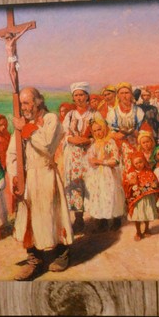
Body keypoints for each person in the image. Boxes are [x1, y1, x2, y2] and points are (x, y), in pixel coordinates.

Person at [6, 86, 74, 280]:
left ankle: (61, 254)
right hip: (29, 178)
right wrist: (15, 175)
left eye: (27, 103)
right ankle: (34, 260)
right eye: (21, 104)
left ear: (38, 101)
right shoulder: (23, 124)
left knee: (52, 216)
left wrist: (26, 129)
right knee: (30, 219)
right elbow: (11, 154)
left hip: (46, 174)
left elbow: (46, 146)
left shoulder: (51, 119)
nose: (24, 108)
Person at [61, 82, 94, 233]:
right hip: (73, 155)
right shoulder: (70, 115)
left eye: (82, 94)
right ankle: (79, 218)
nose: (79, 98)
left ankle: (97, 216)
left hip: (89, 152)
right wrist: (73, 139)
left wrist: (88, 140)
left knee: (91, 183)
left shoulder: (94, 114)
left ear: (87, 96)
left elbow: (100, 133)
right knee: (75, 185)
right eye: (76, 95)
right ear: (73, 98)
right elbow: (65, 134)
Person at [84, 116, 125, 229]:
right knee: (100, 195)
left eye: (99, 129)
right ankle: (103, 221)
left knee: (111, 194)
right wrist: (95, 161)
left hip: (109, 174)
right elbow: (91, 160)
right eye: (95, 131)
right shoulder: (93, 145)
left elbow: (115, 160)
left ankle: (116, 219)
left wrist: (101, 161)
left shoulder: (110, 143)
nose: (98, 133)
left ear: (105, 129)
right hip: (97, 175)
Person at [122, 148, 159, 240]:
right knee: (137, 216)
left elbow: (155, 182)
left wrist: (153, 184)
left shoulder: (148, 172)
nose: (139, 165)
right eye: (136, 163)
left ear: (144, 161)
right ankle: (138, 232)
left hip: (147, 198)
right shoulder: (131, 174)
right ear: (133, 164)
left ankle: (147, 229)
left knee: (147, 214)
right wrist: (130, 183)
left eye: (140, 162)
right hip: (137, 200)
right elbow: (126, 184)